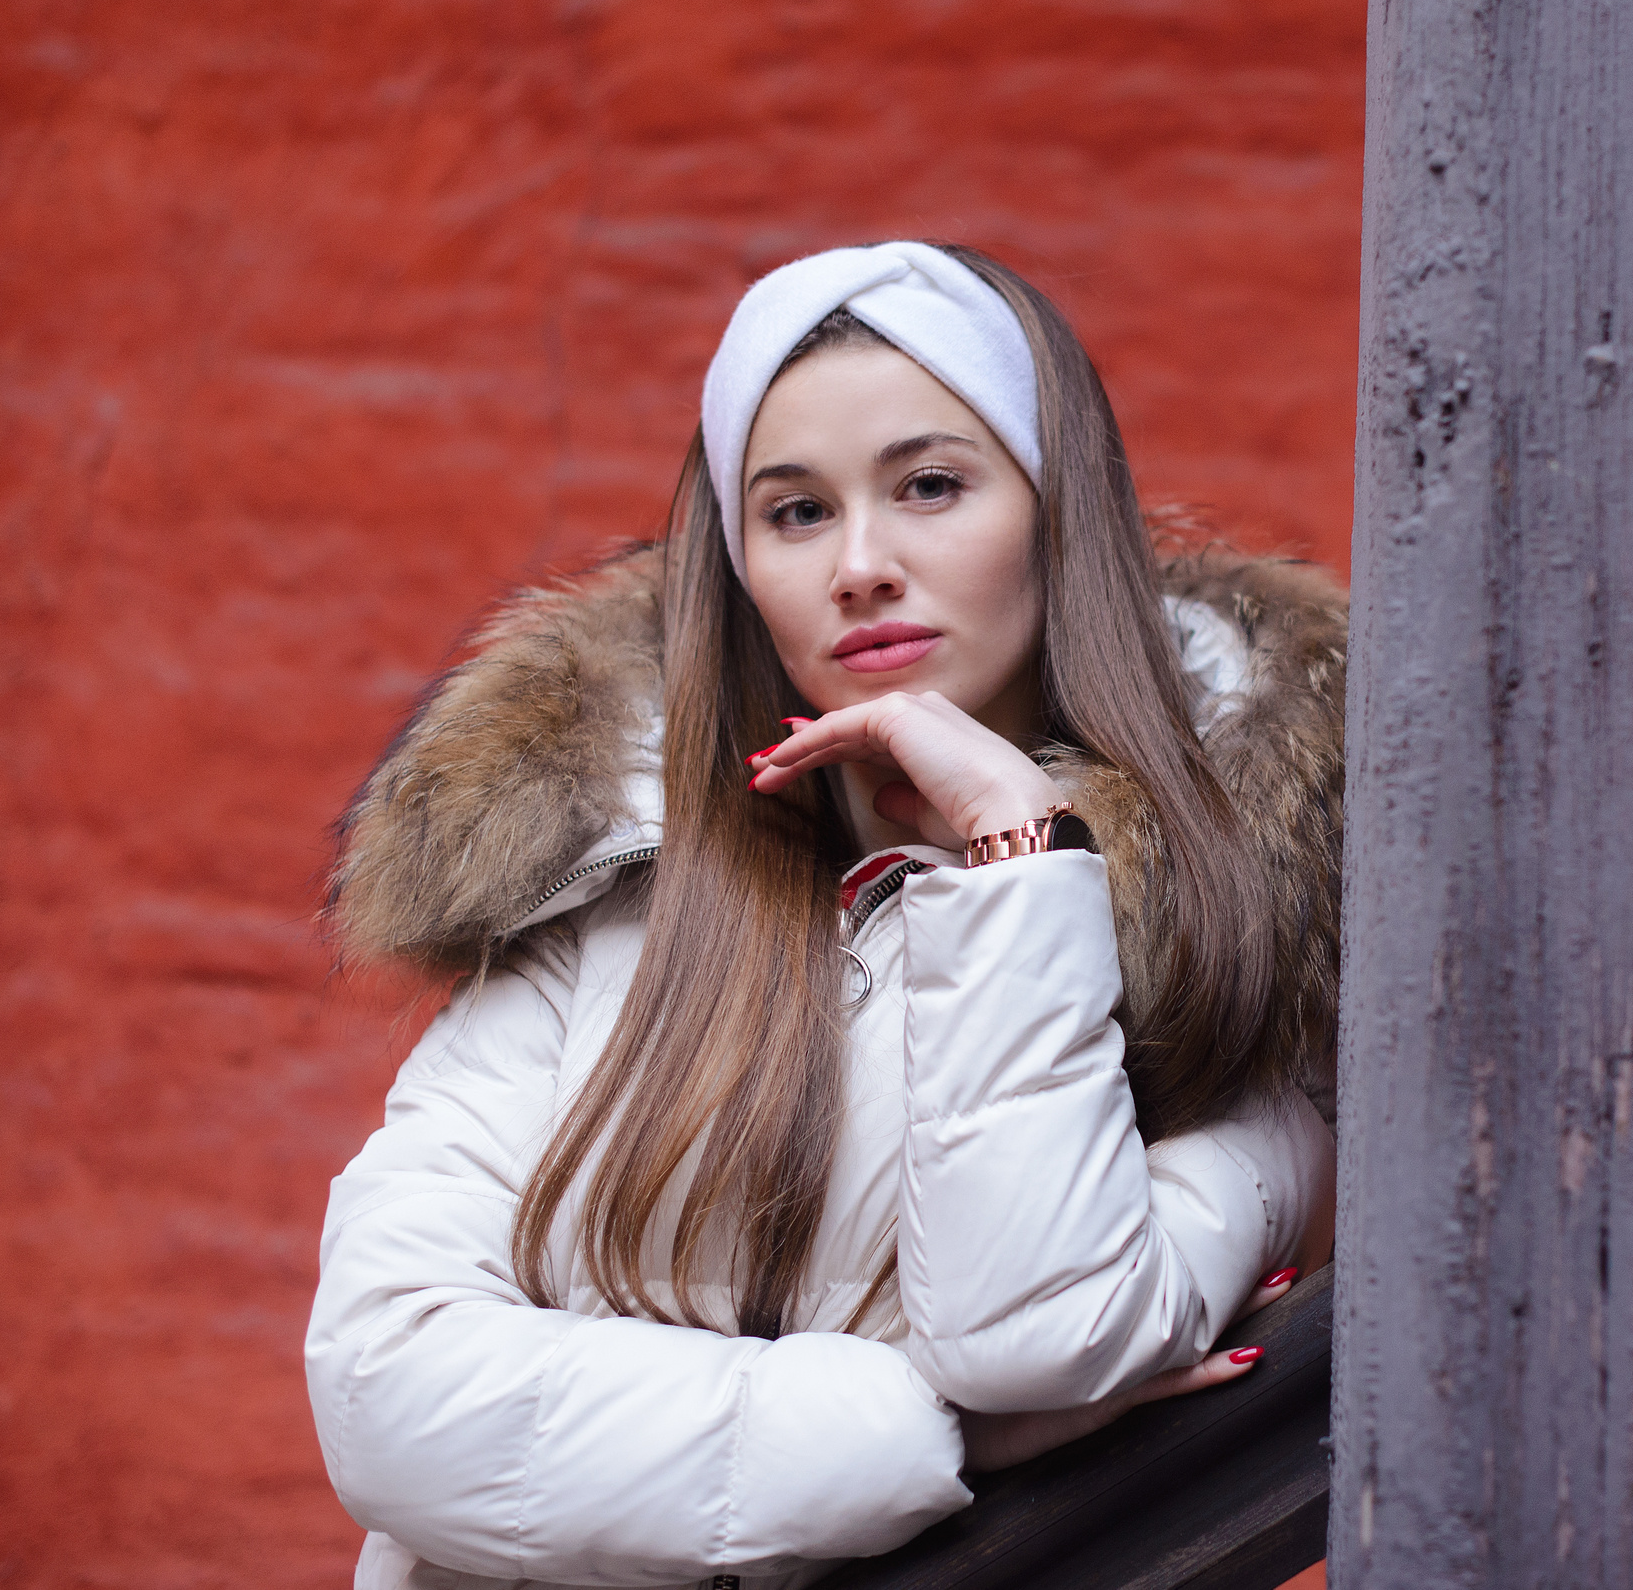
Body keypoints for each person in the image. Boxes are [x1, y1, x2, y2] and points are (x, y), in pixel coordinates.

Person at [308, 241, 1347, 1590]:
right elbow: (390, 1400)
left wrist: (1020, 854)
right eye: (795, 512)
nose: (862, 563)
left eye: (929, 486)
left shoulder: (1239, 931)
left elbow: (1039, 1336)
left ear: (1056, 516)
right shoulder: (609, 880)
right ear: (739, 568)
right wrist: (924, 1428)